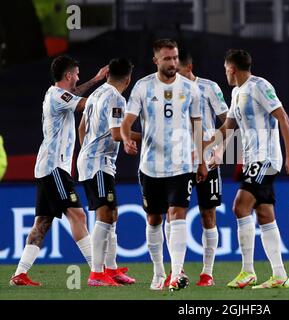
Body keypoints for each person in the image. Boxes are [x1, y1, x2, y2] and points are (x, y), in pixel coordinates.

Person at [10, 55, 108, 286]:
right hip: (54, 167)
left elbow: (74, 95)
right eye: (76, 74)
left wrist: (95, 80)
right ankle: (97, 272)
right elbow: (82, 104)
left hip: (49, 167)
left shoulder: (57, 94)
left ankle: (20, 274)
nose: (78, 77)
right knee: (78, 215)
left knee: (42, 222)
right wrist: (108, 91)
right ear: (67, 75)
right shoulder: (56, 95)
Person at [207, 49, 289, 289]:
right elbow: (229, 125)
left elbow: (283, 118)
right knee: (264, 213)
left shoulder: (260, 86)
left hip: (265, 159)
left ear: (232, 69)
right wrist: (214, 149)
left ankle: (248, 271)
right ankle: (280, 274)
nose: (225, 73)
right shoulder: (237, 92)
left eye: (226, 69)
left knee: (240, 205)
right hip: (251, 160)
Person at [121, 39, 207, 291]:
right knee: (154, 219)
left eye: (175, 58)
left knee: (178, 213)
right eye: (167, 58)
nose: (172, 63)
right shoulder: (143, 87)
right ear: (156, 60)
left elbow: (197, 125)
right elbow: (127, 121)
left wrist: (201, 160)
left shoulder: (190, 89)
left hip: (181, 164)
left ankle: (176, 273)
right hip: (150, 166)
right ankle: (159, 272)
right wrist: (126, 138)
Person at [165, 51, 229, 287]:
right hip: (178, 161)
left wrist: (221, 151)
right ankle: (175, 271)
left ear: (188, 67)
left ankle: (207, 273)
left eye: (177, 69)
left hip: (207, 159)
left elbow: (228, 120)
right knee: (173, 214)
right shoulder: (169, 90)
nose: (173, 74)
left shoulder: (209, 87)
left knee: (208, 214)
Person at [77, 58, 138, 286]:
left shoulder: (95, 94)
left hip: (94, 161)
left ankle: (111, 270)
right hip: (98, 163)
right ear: (128, 79)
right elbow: (116, 134)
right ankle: (96, 273)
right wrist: (150, 137)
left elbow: (81, 127)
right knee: (105, 213)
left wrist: (86, 150)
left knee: (111, 213)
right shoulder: (116, 98)